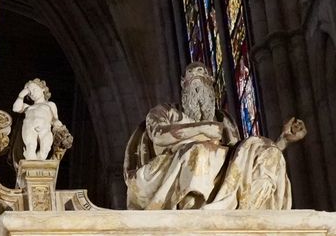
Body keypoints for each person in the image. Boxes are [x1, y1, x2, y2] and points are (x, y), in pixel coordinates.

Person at [125, 62, 306, 210]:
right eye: (190, 74)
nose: (195, 76)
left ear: (211, 82)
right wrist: (204, 128)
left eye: (201, 72)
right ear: (182, 83)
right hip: (179, 162)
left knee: (264, 147)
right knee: (198, 152)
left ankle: (250, 213)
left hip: (221, 171)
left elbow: (239, 161)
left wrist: (282, 141)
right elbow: (158, 136)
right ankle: (195, 208)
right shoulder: (166, 111)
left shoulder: (223, 118)